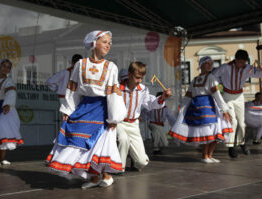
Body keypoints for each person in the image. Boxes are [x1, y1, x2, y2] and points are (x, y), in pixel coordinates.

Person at [46, 30, 127, 189]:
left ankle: (103, 176)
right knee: (77, 138)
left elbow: (112, 93)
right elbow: (73, 90)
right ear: (93, 43)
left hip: (103, 109)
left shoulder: (111, 67)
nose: (108, 45)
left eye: (110, 43)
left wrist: (114, 117)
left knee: (97, 144)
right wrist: (68, 111)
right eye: (104, 42)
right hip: (84, 107)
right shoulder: (80, 64)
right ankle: (96, 177)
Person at [169, 56, 232, 163]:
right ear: (201, 65)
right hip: (199, 107)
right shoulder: (195, 80)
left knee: (215, 131)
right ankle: (205, 156)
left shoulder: (211, 77)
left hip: (210, 106)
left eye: (211, 63)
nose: (210, 65)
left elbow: (217, 94)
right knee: (206, 132)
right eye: (207, 63)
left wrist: (224, 110)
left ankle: (210, 155)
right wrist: (182, 108)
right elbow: (188, 96)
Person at [117, 62, 172, 171]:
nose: (139, 81)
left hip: (133, 124)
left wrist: (163, 98)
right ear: (129, 74)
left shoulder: (143, 89)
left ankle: (136, 161)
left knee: (142, 162)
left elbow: (150, 104)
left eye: (141, 78)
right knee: (123, 139)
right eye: (137, 77)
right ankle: (119, 167)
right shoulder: (117, 88)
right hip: (119, 122)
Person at [212, 50, 262, 158]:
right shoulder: (225, 67)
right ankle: (231, 147)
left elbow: (260, 74)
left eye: (244, 62)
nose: (242, 64)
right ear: (236, 60)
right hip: (227, 96)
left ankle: (241, 142)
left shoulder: (247, 68)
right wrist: (220, 84)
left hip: (239, 97)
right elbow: (213, 76)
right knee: (233, 121)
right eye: (240, 62)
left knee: (242, 123)